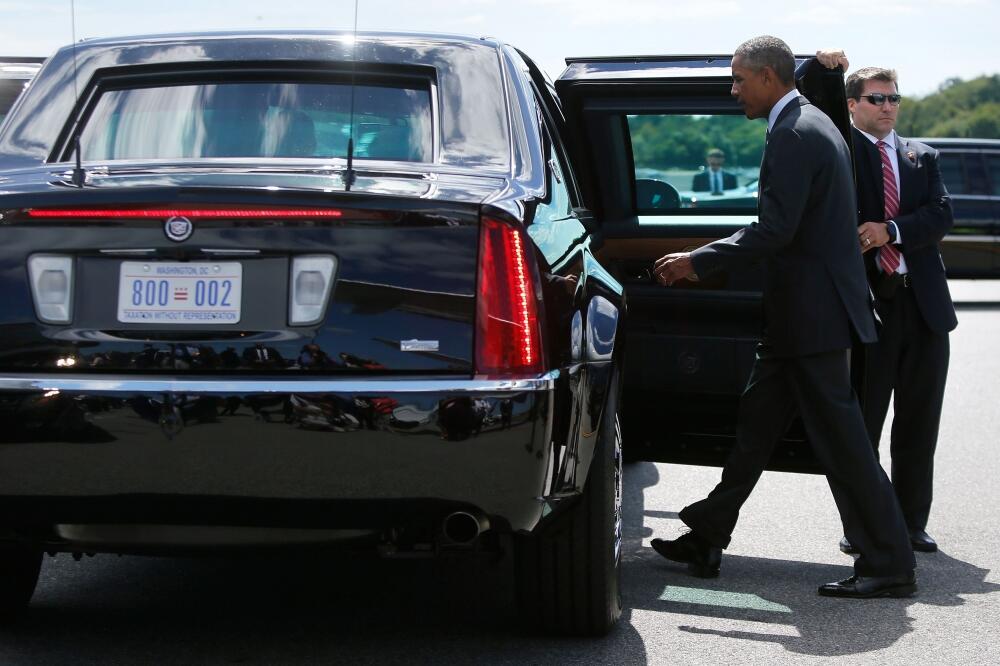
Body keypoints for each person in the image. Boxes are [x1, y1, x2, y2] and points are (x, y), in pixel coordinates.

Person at [651, 36, 916, 598]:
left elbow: (776, 229)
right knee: (754, 433)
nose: (734, 90)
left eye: (739, 79)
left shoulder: (795, 132)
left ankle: (890, 562)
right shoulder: (811, 120)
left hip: (812, 321)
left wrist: (698, 261)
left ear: (769, 79)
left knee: (845, 447)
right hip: (801, 319)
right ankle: (707, 536)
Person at [817, 54, 957, 554]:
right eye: (876, 98)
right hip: (869, 309)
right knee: (863, 425)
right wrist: (823, 68)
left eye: (894, 97)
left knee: (919, 422)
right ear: (852, 105)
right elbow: (815, 103)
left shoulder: (923, 156)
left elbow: (941, 215)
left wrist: (890, 231)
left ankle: (910, 522)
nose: (888, 106)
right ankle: (863, 525)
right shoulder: (841, 150)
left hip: (925, 308)